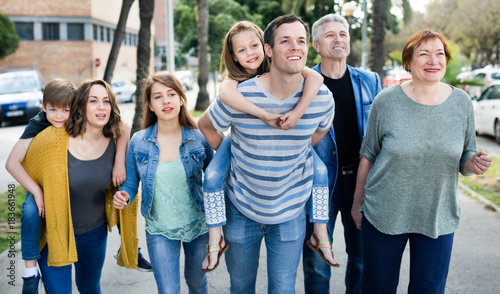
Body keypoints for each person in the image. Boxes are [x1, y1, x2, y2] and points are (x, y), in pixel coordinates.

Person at [199, 14, 335, 292]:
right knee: (241, 286)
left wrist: (292, 143)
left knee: (283, 288)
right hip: (241, 209)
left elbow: (317, 133)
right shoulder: (237, 91)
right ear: (270, 49)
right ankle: (215, 238)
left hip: (290, 211)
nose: (295, 47)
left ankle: (321, 231)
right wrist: (234, 153)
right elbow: (207, 124)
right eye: (285, 41)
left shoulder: (320, 96)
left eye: (301, 41)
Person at [351, 29, 492, 293]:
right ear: (408, 61)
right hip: (384, 213)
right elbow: (368, 155)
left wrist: (472, 163)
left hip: (437, 216)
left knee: (428, 289)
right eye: (423, 54)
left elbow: (466, 154)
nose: (433, 61)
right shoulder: (386, 101)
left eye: (439, 54)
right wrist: (357, 203)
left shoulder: (462, 103)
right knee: (377, 287)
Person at [20, 79, 139, 293]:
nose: (101, 107)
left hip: (94, 233)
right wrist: (36, 191)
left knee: (90, 287)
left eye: (106, 101)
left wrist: (120, 163)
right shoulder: (53, 138)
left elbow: (125, 130)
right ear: (81, 105)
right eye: (93, 101)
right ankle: (30, 275)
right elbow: (22, 165)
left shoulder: (115, 139)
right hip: (55, 231)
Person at [302, 14, 382, 294]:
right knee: (317, 263)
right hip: (319, 185)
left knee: (362, 260)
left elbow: (380, 135)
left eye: (343, 34)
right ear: (315, 45)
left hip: (363, 183)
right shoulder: (303, 83)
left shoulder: (370, 81)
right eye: (330, 35)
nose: (339, 40)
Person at [113, 72, 214, 293]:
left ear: (181, 99)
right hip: (159, 228)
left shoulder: (199, 139)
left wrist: (219, 228)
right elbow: (131, 184)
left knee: (197, 283)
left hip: (198, 226)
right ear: (149, 105)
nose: (166, 100)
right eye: (158, 96)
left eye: (171, 94)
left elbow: (216, 181)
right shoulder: (139, 142)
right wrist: (124, 195)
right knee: (168, 290)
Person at [5, 79, 75, 293]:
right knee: (30, 212)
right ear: (43, 106)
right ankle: (30, 274)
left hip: (65, 191)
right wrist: (36, 191)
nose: (59, 116)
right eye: (52, 109)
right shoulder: (37, 123)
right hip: (39, 186)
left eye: (66, 110)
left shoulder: (77, 123)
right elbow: (11, 163)